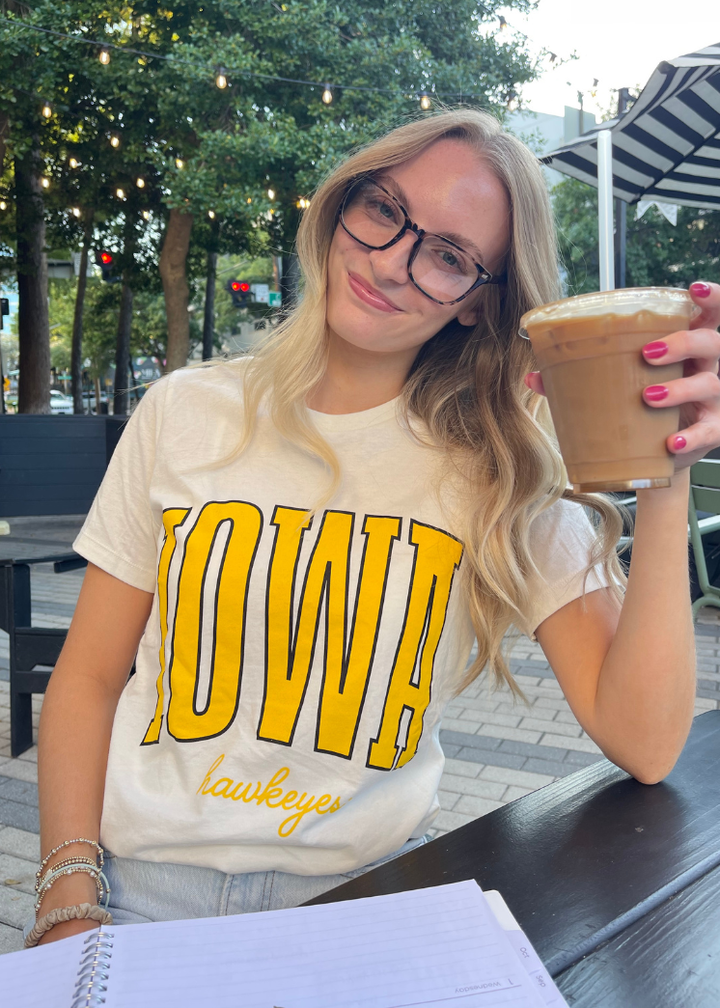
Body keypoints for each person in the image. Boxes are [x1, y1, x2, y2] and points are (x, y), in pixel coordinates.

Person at [28, 108, 720, 949]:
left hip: (369, 907)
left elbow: (645, 742)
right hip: (138, 896)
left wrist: (669, 475)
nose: (392, 263)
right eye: (386, 210)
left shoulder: (502, 464)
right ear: (342, 205)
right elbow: (89, 678)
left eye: (450, 256)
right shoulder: (183, 411)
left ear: (477, 304)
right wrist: (67, 897)